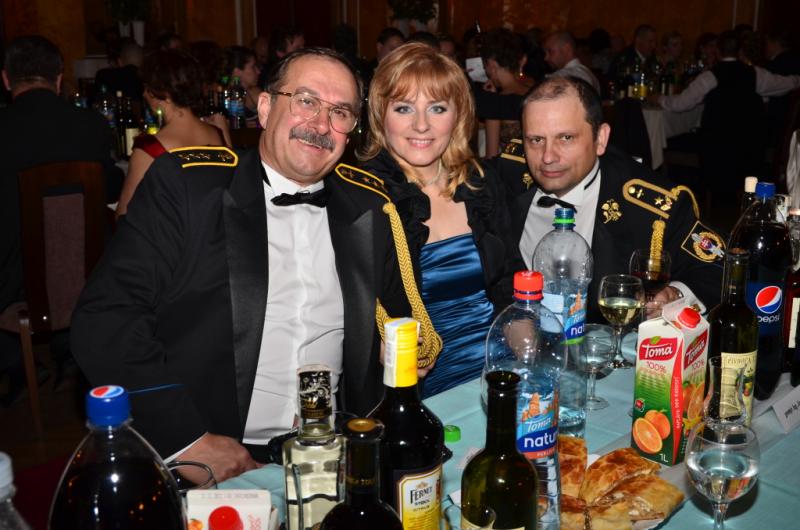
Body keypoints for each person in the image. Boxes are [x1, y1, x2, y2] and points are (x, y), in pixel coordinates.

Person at [71, 48, 410, 482]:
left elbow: (403, 328)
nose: (321, 124)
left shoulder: (370, 208)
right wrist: (187, 442)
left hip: (336, 453)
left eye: (340, 112)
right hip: (214, 454)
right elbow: (105, 318)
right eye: (306, 101)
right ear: (265, 108)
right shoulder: (188, 189)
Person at [354, 42, 522, 397]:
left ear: (458, 114)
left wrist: (527, 340)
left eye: (437, 108)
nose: (421, 125)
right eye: (403, 108)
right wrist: (375, 348)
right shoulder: (364, 197)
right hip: (415, 388)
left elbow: (508, 279)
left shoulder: (481, 184)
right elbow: (342, 306)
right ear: (380, 114)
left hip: (496, 374)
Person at [493, 76, 724, 322]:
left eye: (566, 138)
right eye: (536, 140)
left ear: (600, 139)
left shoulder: (651, 207)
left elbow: (719, 268)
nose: (548, 157)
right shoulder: (506, 174)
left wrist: (675, 295)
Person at [0, 35, 123, 404]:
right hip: (87, 274)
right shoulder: (91, 125)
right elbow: (111, 186)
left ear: (6, 79)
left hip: (12, 282)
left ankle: (16, 364)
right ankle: (69, 349)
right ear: (58, 79)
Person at [654, 31, 800, 215]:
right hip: (748, 149)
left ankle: (686, 195)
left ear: (718, 51)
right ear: (739, 51)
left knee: (672, 141)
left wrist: (660, 99)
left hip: (715, 150)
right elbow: (785, 84)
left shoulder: (709, 77)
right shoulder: (754, 74)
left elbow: (680, 104)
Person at [115, 50, 230, 218]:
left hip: (171, 234)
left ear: (164, 94)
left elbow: (125, 215)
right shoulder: (218, 134)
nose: (144, 94)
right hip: (214, 231)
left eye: (148, 88)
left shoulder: (149, 149)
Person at [477, 28, 534, 157]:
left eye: (485, 67)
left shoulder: (495, 104)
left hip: (511, 167)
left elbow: (491, 156)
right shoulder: (536, 90)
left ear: (492, 65)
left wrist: (491, 99)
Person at [224, 45, 262, 123]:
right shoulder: (218, 97)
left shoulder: (255, 93)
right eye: (253, 67)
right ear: (237, 72)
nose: (258, 71)